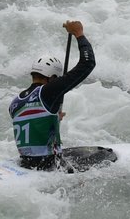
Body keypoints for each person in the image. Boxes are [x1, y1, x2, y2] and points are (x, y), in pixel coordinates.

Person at [9, 20, 96, 170]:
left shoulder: (15, 103)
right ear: (52, 78)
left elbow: (33, 122)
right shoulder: (47, 91)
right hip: (50, 167)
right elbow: (88, 63)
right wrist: (79, 34)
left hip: (27, 164)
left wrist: (53, 117)